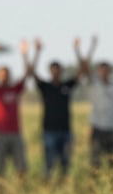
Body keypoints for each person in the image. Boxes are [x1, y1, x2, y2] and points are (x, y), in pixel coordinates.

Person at [31, 38, 85, 181]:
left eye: (57, 70)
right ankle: (46, 186)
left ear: (61, 71)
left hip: (65, 130)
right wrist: (37, 52)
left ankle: (63, 185)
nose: (55, 72)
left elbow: (81, 71)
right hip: (49, 131)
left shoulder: (67, 85)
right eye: (53, 70)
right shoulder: (45, 87)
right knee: (48, 163)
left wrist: (77, 49)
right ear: (49, 71)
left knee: (65, 164)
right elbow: (32, 73)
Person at [0, 39, 33, 183]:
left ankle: (19, 190)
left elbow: (27, 74)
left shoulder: (14, 89)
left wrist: (24, 54)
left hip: (15, 133)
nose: (3, 76)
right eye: (1, 74)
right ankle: (0, 190)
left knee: (21, 167)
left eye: (6, 74)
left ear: (9, 75)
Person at [85, 36, 113, 172]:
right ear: (97, 72)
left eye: (106, 70)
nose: (103, 73)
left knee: (111, 162)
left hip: (111, 129)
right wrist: (92, 47)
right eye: (101, 70)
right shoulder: (94, 85)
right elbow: (85, 67)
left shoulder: (112, 88)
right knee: (95, 162)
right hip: (97, 129)